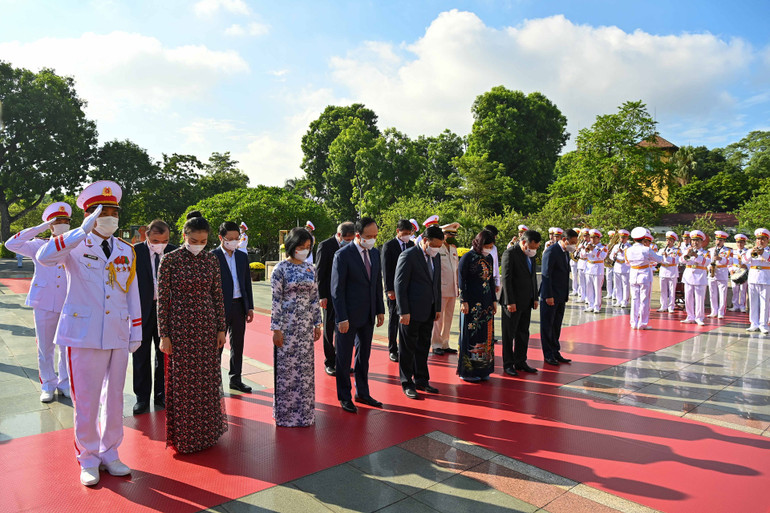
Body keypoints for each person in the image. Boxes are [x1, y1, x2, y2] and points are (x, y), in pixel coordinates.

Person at [36, 181, 141, 486]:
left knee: (114, 399)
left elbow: (131, 291)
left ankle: (110, 452)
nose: (111, 218)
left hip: (118, 333)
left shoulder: (125, 249)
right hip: (82, 333)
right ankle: (88, 456)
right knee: (86, 399)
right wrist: (79, 232)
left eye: (114, 212)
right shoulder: (75, 243)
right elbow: (44, 256)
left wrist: (136, 329)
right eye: (104, 212)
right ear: (91, 215)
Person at [158, 213, 228, 454]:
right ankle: (186, 437)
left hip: (207, 328)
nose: (199, 245)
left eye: (203, 241)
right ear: (184, 236)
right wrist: (163, 334)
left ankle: (207, 434)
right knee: (184, 383)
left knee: (206, 382)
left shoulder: (211, 261)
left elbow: (217, 296)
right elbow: (162, 301)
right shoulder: (170, 261)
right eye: (194, 240)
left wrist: (221, 328)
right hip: (180, 329)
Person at [4, 201, 72, 402]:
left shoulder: (74, 243)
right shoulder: (38, 244)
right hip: (44, 301)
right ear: (50, 224)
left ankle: (65, 383)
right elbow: (10, 244)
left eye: (65, 221)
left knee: (66, 346)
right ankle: (48, 385)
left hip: (69, 301)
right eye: (57, 221)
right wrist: (40, 227)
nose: (62, 224)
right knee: (45, 347)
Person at [331, 217, 385, 413]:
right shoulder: (343, 255)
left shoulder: (375, 253)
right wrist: (341, 318)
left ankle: (362, 392)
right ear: (357, 235)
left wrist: (380, 309)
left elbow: (377, 284)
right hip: (348, 317)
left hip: (368, 314)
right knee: (343, 358)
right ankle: (344, 396)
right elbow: (337, 290)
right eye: (368, 236)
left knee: (364, 357)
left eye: (375, 236)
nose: (372, 239)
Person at [270, 227, 323, 426]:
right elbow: (275, 301)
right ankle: (286, 415)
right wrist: (276, 329)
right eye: (301, 247)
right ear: (292, 246)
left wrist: (318, 323)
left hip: (306, 328)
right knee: (287, 370)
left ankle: (305, 414)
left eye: (308, 247)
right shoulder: (280, 269)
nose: (305, 250)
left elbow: (314, 298)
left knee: (306, 371)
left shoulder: (311, 269)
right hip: (287, 327)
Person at [132, 219, 178, 414]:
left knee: (164, 354)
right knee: (140, 355)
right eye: (156, 240)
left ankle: (162, 395)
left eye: (165, 240)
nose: (161, 244)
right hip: (142, 310)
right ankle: (142, 398)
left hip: (166, 310)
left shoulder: (174, 252)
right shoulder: (134, 252)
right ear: (147, 236)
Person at [396, 225, 443, 393]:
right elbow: (400, 286)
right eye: (434, 245)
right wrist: (403, 311)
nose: (436, 249)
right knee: (407, 349)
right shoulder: (408, 256)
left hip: (429, 309)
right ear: (424, 240)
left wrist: (437, 306)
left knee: (423, 347)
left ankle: (422, 379)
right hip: (411, 311)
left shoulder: (436, 256)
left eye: (439, 246)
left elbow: (436, 282)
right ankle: (407, 382)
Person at [212, 221, 255, 393]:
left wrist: (249, 306)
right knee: (217, 345)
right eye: (230, 239)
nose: (234, 242)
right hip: (220, 307)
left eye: (237, 238)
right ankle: (214, 382)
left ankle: (235, 379)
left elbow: (246, 283)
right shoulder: (212, 257)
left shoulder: (242, 256)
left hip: (239, 306)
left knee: (238, 345)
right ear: (221, 238)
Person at [315, 221, 356, 375]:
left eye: (352, 239)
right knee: (329, 328)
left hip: (348, 295)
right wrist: (322, 295)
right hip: (330, 296)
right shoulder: (326, 246)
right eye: (347, 239)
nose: (350, 242)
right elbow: (320, 272)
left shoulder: (353, 247)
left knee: (345, 329)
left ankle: (342, 361)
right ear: (339, 235)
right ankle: (330, 361)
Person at [456, 230, 497, 382]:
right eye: (487, 245)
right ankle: (467, 371)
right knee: (470, 333)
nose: (489, 248)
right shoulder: (468, 257)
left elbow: (491, 280)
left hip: (486, 303)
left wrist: (494, 300)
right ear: (479, 244)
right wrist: (463, 300)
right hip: (471, 303)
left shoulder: (490, 258)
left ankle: (484, 369)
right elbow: (462, 280)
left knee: (486, 334)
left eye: (491, 246)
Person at [500, 229, 541, 376]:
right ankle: (508, 363)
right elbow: (506, 278)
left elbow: (532, 277)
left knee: (523, 333)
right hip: (512, 302)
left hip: (526, 301)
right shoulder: (510, 253)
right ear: (524, 242)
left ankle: (520, 361)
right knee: (509, 333)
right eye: (532, 247)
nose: (533, 251)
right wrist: (510, 301)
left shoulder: (530, 255)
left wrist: (535, 297)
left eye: (536, 248)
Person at [539, 229, 578, 367]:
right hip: (550, 296)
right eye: (572, 242)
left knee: (556, 325)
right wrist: (548, 295)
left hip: (560, 295)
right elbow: (546, 274)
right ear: (564, 239)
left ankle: (555, 351)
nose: (574, 245)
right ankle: (548, 354)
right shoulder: (551, 251)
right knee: (547, 326)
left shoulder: (565, 252)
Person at [382, 219, 415, 362]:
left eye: (409, 233)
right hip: (394, 290)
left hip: (409, 289)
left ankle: (405, 348)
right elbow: (386, 269)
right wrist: (389, 289)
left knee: (407, 319)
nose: (407, 236)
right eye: (404, 233)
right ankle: (392, 349)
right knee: (394, 319)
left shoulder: (412, 245)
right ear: (398, 231)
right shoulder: (389, 246)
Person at [431, 222, 460, 356]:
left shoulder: (453, 249)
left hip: (453, 289)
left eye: (453, 234)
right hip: (441, 289)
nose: (451, 236)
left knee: (448, 318)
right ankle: (436, 344)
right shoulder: (437, 248)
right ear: (443, 234)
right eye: (449, 234)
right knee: (438, 319)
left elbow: (456, 270)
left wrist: (458, 285)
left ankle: (445, 343)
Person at [626, 228, 663, 329]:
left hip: (633, 275)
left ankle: (633, 323)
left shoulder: (628, 250)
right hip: (644, 275)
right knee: (644, 300)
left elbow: (627, 262)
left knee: (634, 300)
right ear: (643, 239)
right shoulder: (646, 249)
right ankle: (642, 323)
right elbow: (659, 259)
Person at [680, 230, 710, 326]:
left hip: (700, 277)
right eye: (693, 240)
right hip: (688, 276)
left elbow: (707, 262)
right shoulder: (687, 250)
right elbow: (680, 261)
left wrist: (696, 256)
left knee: (699, 299)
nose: (695, 243)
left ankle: (699, 317)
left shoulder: (705, 252)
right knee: (688, 298)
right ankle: (690, 316)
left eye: (697, 240)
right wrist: (687, 255)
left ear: (701, 242)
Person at [743, 228, 770, 333]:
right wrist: (751, 253)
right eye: (758, 239)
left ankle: (763, 324)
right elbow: (744, 261)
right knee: (753, 302)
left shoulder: (768, 251)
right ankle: (753, 323)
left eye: (763, 239)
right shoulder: (751, 250)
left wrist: (763, 253)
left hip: (765, 279)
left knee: (764, 303)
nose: (760, 241)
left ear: (767, 240)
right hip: (753, 278)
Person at [707, 231, 732, 319]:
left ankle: (721, 312)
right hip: (712, 273)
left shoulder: (728, 250)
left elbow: (731, 261)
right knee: (712, 293)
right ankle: (713, 311)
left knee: (722, 294)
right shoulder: (710, 250)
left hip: (722, 272)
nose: (718, 242)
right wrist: (709, 267)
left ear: (724, 241)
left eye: (720, 240)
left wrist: (721, 259)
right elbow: (706, 261)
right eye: (717, 240)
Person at [584, 228, 608, 313]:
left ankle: (597, 306)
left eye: (594, 238)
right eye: (591, 237)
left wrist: (593, 249)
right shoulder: (588, 245)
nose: (592, 239)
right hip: (588, 268)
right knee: (589, 288)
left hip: (598, 269)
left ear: (598, 238)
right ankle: (591, 305)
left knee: (597, 289)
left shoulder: (603, 247)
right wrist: (585, 250)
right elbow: (582, 256)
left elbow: (602, 256)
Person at [657, 231, 681, 313]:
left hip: (672, 271)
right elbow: (658, 259)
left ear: (674, 241)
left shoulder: (677, 251)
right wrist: (662, 257)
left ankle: (671, 306)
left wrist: (668, 258)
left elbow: (678, 260)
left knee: (672, 290)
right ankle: (663, 305)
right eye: (667, 240)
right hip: (663, 270)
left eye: (670, 240)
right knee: (663, 290)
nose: (668, 242)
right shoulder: (661, 250)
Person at [610, 229, 631, 307]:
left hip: (625, 267)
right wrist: (614, 255)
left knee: (625, 285)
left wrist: (623, 253)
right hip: (617, 266)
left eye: (624, 238)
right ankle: (619, 300)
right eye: (621, 238)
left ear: (627, 238)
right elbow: (610, 256)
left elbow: (630, 257)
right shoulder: (616, 246)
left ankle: (625, 301)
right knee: (617, 285)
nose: (622, 239)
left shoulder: (629, 247)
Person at [729, 234, 749, 312]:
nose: (739, 244)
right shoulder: (733, 252)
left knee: (743, 290)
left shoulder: (747, 251)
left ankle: (742, 306)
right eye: (738, 242)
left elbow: (750, 262)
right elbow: (729, 262)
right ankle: (735, 305)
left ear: (744, 243)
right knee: (735, 290)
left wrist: (746, 266)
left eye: (741, 242)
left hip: (743, 272)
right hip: (735, 271)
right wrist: (730, 270)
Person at [484, 224, 502, 296]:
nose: (495, 238)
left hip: (492, 279)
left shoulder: (494, 248)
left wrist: (497, 282)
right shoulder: (476, 248)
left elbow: (496, 265)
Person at [576, 228, 590, 303]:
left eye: (587, 236)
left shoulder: (591, 245)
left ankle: (588, 297)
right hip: (580, 262)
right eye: (584, 236)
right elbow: (576, 254)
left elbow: (590, 255)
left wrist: (584, 249)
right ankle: (582, 296)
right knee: (581, 282)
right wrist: (577, 250)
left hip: (587, 262)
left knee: (587, 282)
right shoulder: (581, 244)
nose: (585, 238)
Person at [604, 230, 616, 300]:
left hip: (615, 264)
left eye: (612, 238)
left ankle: (614, 294)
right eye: (610, 238)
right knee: (608, 279)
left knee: (615, 280)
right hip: (608, 263)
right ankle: (609, 293)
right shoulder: (608, 245)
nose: (611, 239)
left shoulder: (617, 245)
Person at [569, 227, 580, 296]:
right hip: (573, 260)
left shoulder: (580, 242)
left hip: (580, 261)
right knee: (574, 275)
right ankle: (574, 289)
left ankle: (580, 291)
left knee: (580, 277)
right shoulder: (571, 242)